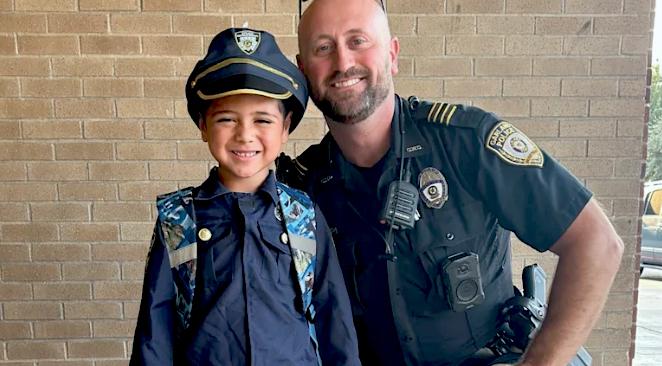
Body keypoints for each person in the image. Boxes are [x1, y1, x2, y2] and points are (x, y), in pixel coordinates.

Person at [277, 0, 625, 365]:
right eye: (323, 48)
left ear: (392, 54)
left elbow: (597, 243)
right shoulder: (303, 189)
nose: (344, 62)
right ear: (303, 70)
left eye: (358, 41)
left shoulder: (467, 143)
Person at [130, 27, 361, 365]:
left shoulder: (305, 216)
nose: (245, 135)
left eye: (263, 120)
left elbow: (333, 317)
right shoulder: (178, 219)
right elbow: (156, 327)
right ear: (203, 125)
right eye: (226, 119)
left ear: (285, 129)